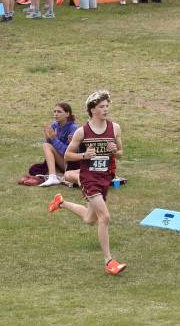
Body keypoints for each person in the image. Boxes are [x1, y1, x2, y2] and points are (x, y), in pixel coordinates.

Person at [48, 90, 128, 276]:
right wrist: (84, 155)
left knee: (90, 219)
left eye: (107, 106)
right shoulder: (82, 131)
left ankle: (61, 202)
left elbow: (121, 152)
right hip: (88, 178)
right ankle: (109, 261)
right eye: (101, 107)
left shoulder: (115, 128)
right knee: (105, 217)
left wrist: (115, 150)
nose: (106, 109)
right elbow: (68, 155)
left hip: (105, 177)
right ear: (92, 109)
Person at [38, 103, 79, 187]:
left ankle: (53, 177)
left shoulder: (73, 128)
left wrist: (53, 139)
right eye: (55, 111)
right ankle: (56, 176)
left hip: (72, 163)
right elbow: (51, 148)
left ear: (67, 114)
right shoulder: (54, 125)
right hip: (61, 161)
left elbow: (68, 152)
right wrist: (48, 138)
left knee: (46, 145)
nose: (56, 114)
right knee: (36, 168)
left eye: (59, 112)